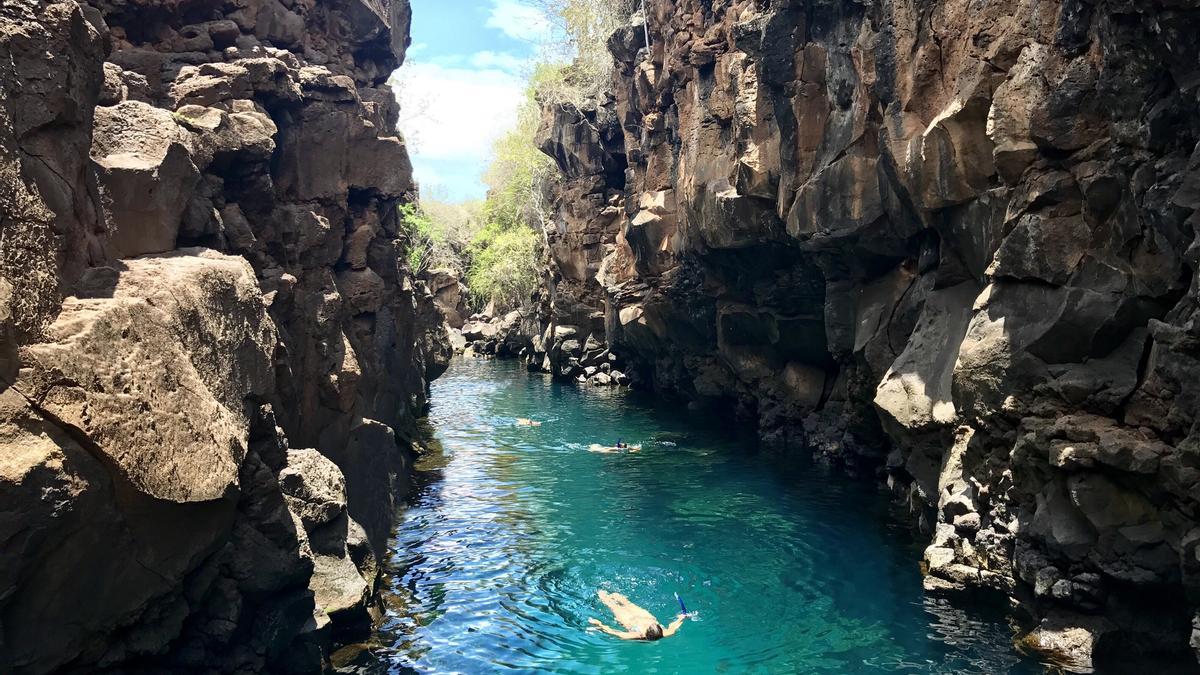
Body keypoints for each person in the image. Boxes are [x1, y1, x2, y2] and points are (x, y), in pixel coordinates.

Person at [588, 590, 685, 641]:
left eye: (647, 626)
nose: (648, 624)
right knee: (628, 603)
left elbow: (613, 632)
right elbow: (673, 626)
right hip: (644, 616)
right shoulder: (665, 633)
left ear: (644, 634)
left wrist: (599, 624)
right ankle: (615, 594)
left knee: (612, 605)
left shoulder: (634, 635)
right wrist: (681, 618)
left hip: (629, 620)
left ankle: (600, 591)